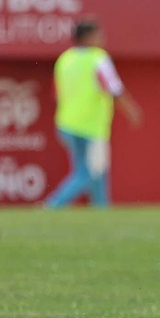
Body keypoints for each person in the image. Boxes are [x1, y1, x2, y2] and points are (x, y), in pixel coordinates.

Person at [44, 17, 141, 207]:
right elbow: (114, 89)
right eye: (98, 34)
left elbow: (56, 93)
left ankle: (101, 210)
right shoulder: (98, 58)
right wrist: (132, 111)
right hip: (89, 126)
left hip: (66, 123)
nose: (102, 37)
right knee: (86, 172)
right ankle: (52, 206)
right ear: (88, 37)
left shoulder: (65, 59)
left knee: (98, 170)